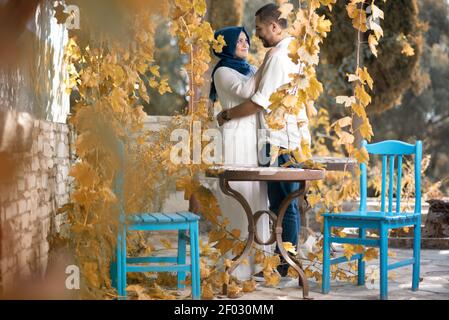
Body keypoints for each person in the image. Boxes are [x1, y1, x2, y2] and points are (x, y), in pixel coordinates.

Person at [216, 3, 311, 278]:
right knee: (283, 204)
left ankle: (284, 266)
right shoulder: (293, 51)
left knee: (284, 205)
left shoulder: (279, 57)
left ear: (273, 26)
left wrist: (227, 115)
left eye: (258, 29)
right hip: (289, 137)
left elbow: (258, 102)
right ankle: (281, 264)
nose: (256, 35)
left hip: (280, 140)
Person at [206, 25, 275, 280]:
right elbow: (248, 91)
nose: (245, 44)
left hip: (253, 138)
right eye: (239, 41)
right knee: (238, 196)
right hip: (235, 139)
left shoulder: (249, 70)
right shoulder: (223, 71)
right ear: (226, 45)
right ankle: (237, 267)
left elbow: (262, 93)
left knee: (257, 195)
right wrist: (267, 63)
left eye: (247, 40)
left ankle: (259, 263)